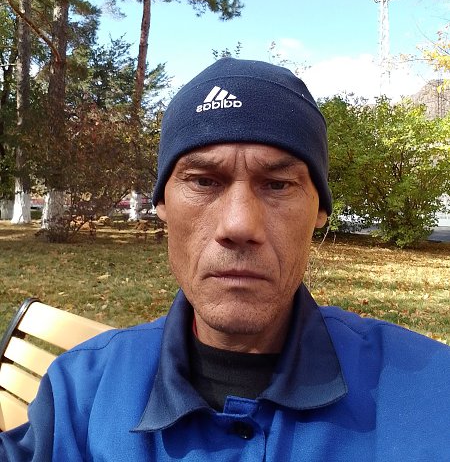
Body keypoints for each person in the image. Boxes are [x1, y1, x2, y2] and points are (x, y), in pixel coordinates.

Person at [1, 58, 449, 462]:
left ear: (320, 210)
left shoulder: (433, 392)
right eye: (203, 181)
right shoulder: (81, 394)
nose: (238, 225)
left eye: (277, 185)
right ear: (162, 204)